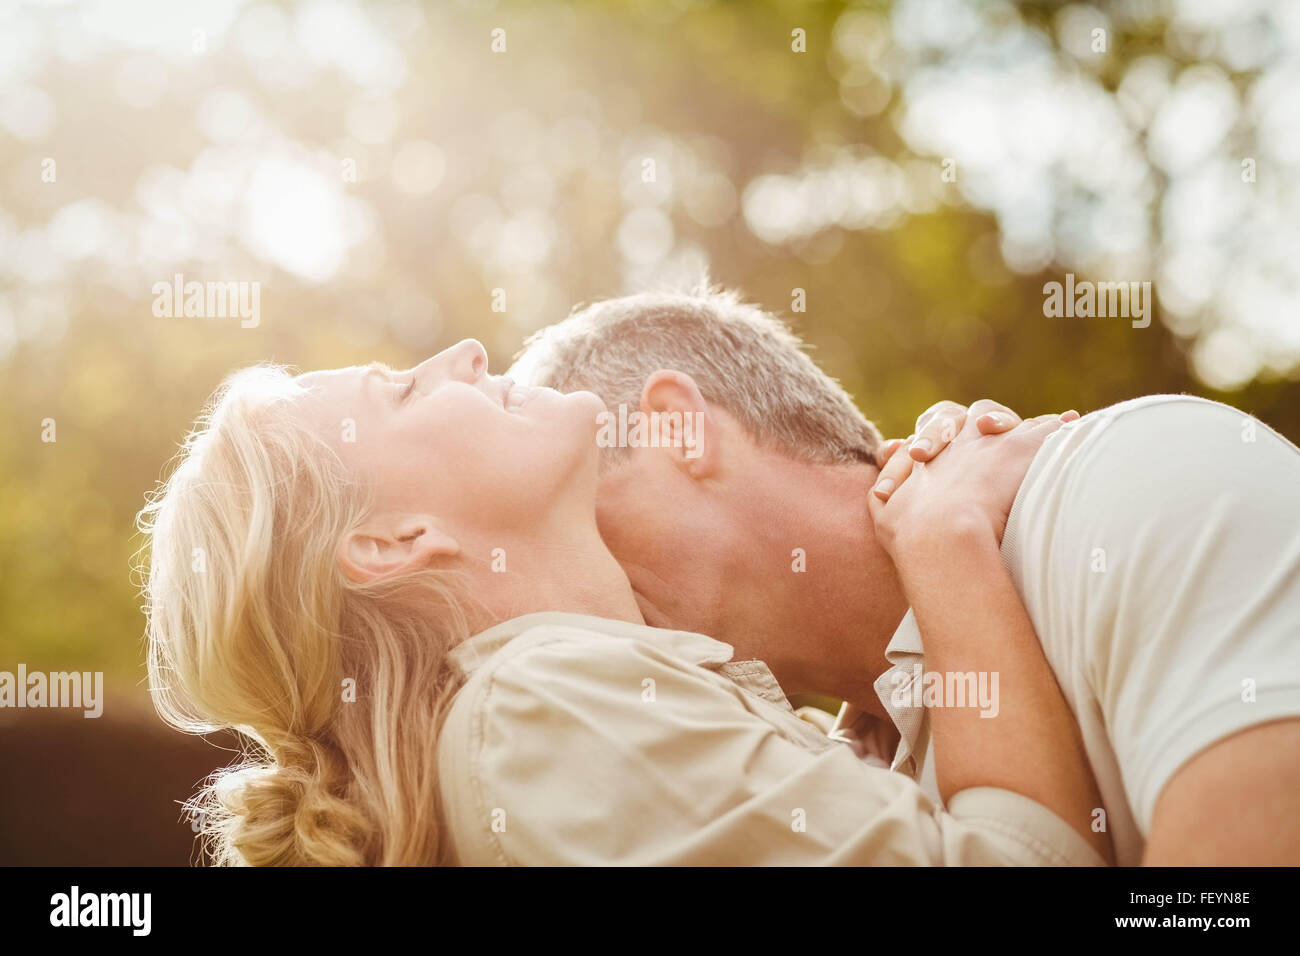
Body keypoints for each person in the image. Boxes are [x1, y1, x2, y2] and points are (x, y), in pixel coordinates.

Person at [139, 338, 1105, 865]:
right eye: (404, 391)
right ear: (392, 543)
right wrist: (945, 543)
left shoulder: (564, 715)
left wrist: (874, 726)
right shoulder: (546, 711)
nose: (467, 352)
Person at [512, 285, 1300, 866]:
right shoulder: (852, 808)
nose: (569, 584)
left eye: (572, 511)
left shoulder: (1139, 486)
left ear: (678, 428)